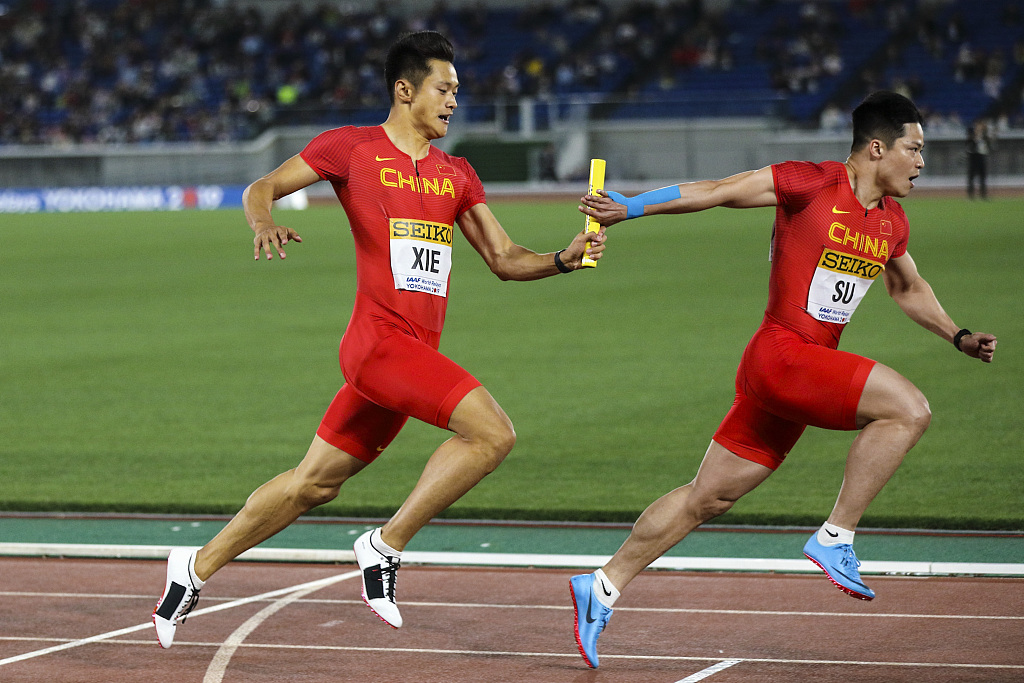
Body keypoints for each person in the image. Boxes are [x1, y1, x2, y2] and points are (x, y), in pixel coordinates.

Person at [152, 30, 606, 648]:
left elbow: (504, 258)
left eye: (456, 92)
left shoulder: (456, 173)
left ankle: (193, 569)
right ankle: (383, 545)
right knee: (493, 433)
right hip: (376, 344)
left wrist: (563, 257)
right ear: (404, 89)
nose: (453, 102)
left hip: (411, 355)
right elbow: (262, 187)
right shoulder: (351, 149)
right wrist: (264, 221)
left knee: (314, 483)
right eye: (443, 90)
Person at [570, 91, 997, 669]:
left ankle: (602, 584)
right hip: (782, 355)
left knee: (709, 496)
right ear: (877, 148)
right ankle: (836, 536)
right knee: (908, 409)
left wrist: (957, 334)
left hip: (796, 375)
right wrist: (633, 206)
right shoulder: (809, 182)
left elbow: (907, 288)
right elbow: (719, 190)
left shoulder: (892, 220)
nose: (922, 161)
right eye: (914, 149)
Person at [966, 119, 992, 200]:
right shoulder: (971, 137)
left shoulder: (985, 137)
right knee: (971, 177)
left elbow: (989, 147)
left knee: (982, 177)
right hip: (973, 159)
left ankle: (983, 195)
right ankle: (971, 195)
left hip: (981, 158)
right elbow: (968, 147)